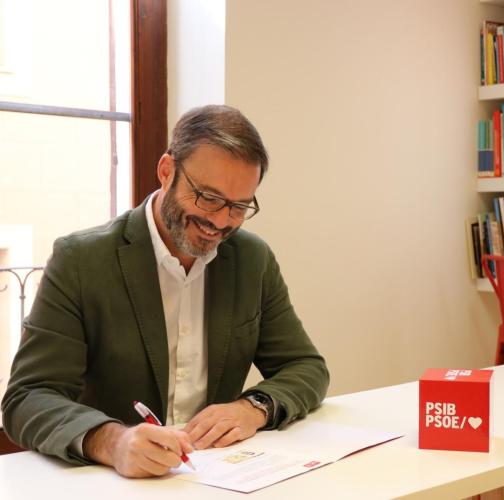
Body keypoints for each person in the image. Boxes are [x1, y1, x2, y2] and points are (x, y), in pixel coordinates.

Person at [1, 104, 329, 478]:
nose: (220, 221)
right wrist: (112, 441)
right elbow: (27, 398)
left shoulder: (252, 259)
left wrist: (253, 408)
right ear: (166, 171)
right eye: (208, 198)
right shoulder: (81, 260)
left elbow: (306, 367)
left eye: (238, 207)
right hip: (112, 482)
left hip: (217, 476)